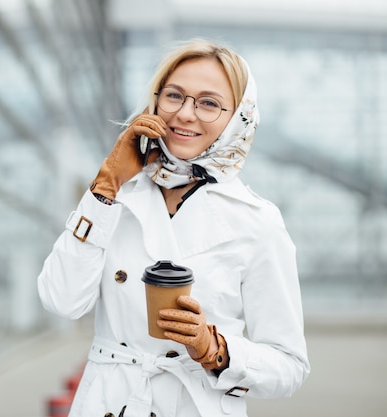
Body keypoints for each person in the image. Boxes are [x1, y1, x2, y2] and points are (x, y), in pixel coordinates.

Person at [37, 38, 310, 417]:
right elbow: (61, 301)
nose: (184, 114)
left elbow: (290, 366)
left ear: (238, 117)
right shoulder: (114, 198)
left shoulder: (258, 220)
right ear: (155, 101)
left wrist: (213, 349)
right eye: (174, 96)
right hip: (108, 403)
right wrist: (105, 187)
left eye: (209, 103)